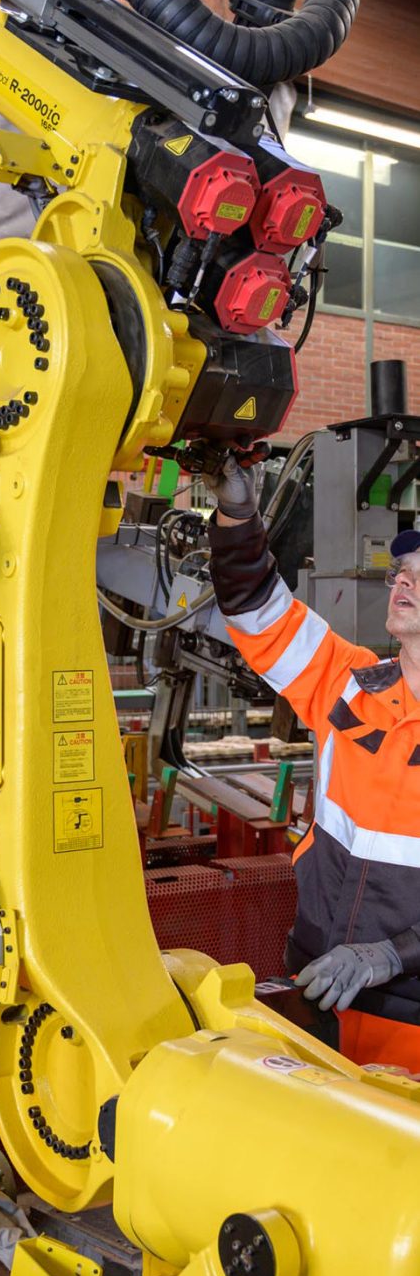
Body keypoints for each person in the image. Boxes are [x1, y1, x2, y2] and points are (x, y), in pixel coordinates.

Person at [205, 452, 420, 1067]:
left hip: (411, 1020)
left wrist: (391, 954)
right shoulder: (349, 682)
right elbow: (259, 615)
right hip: (319, 994)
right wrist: (238, 518)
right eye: (400, 569)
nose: (401, 580)